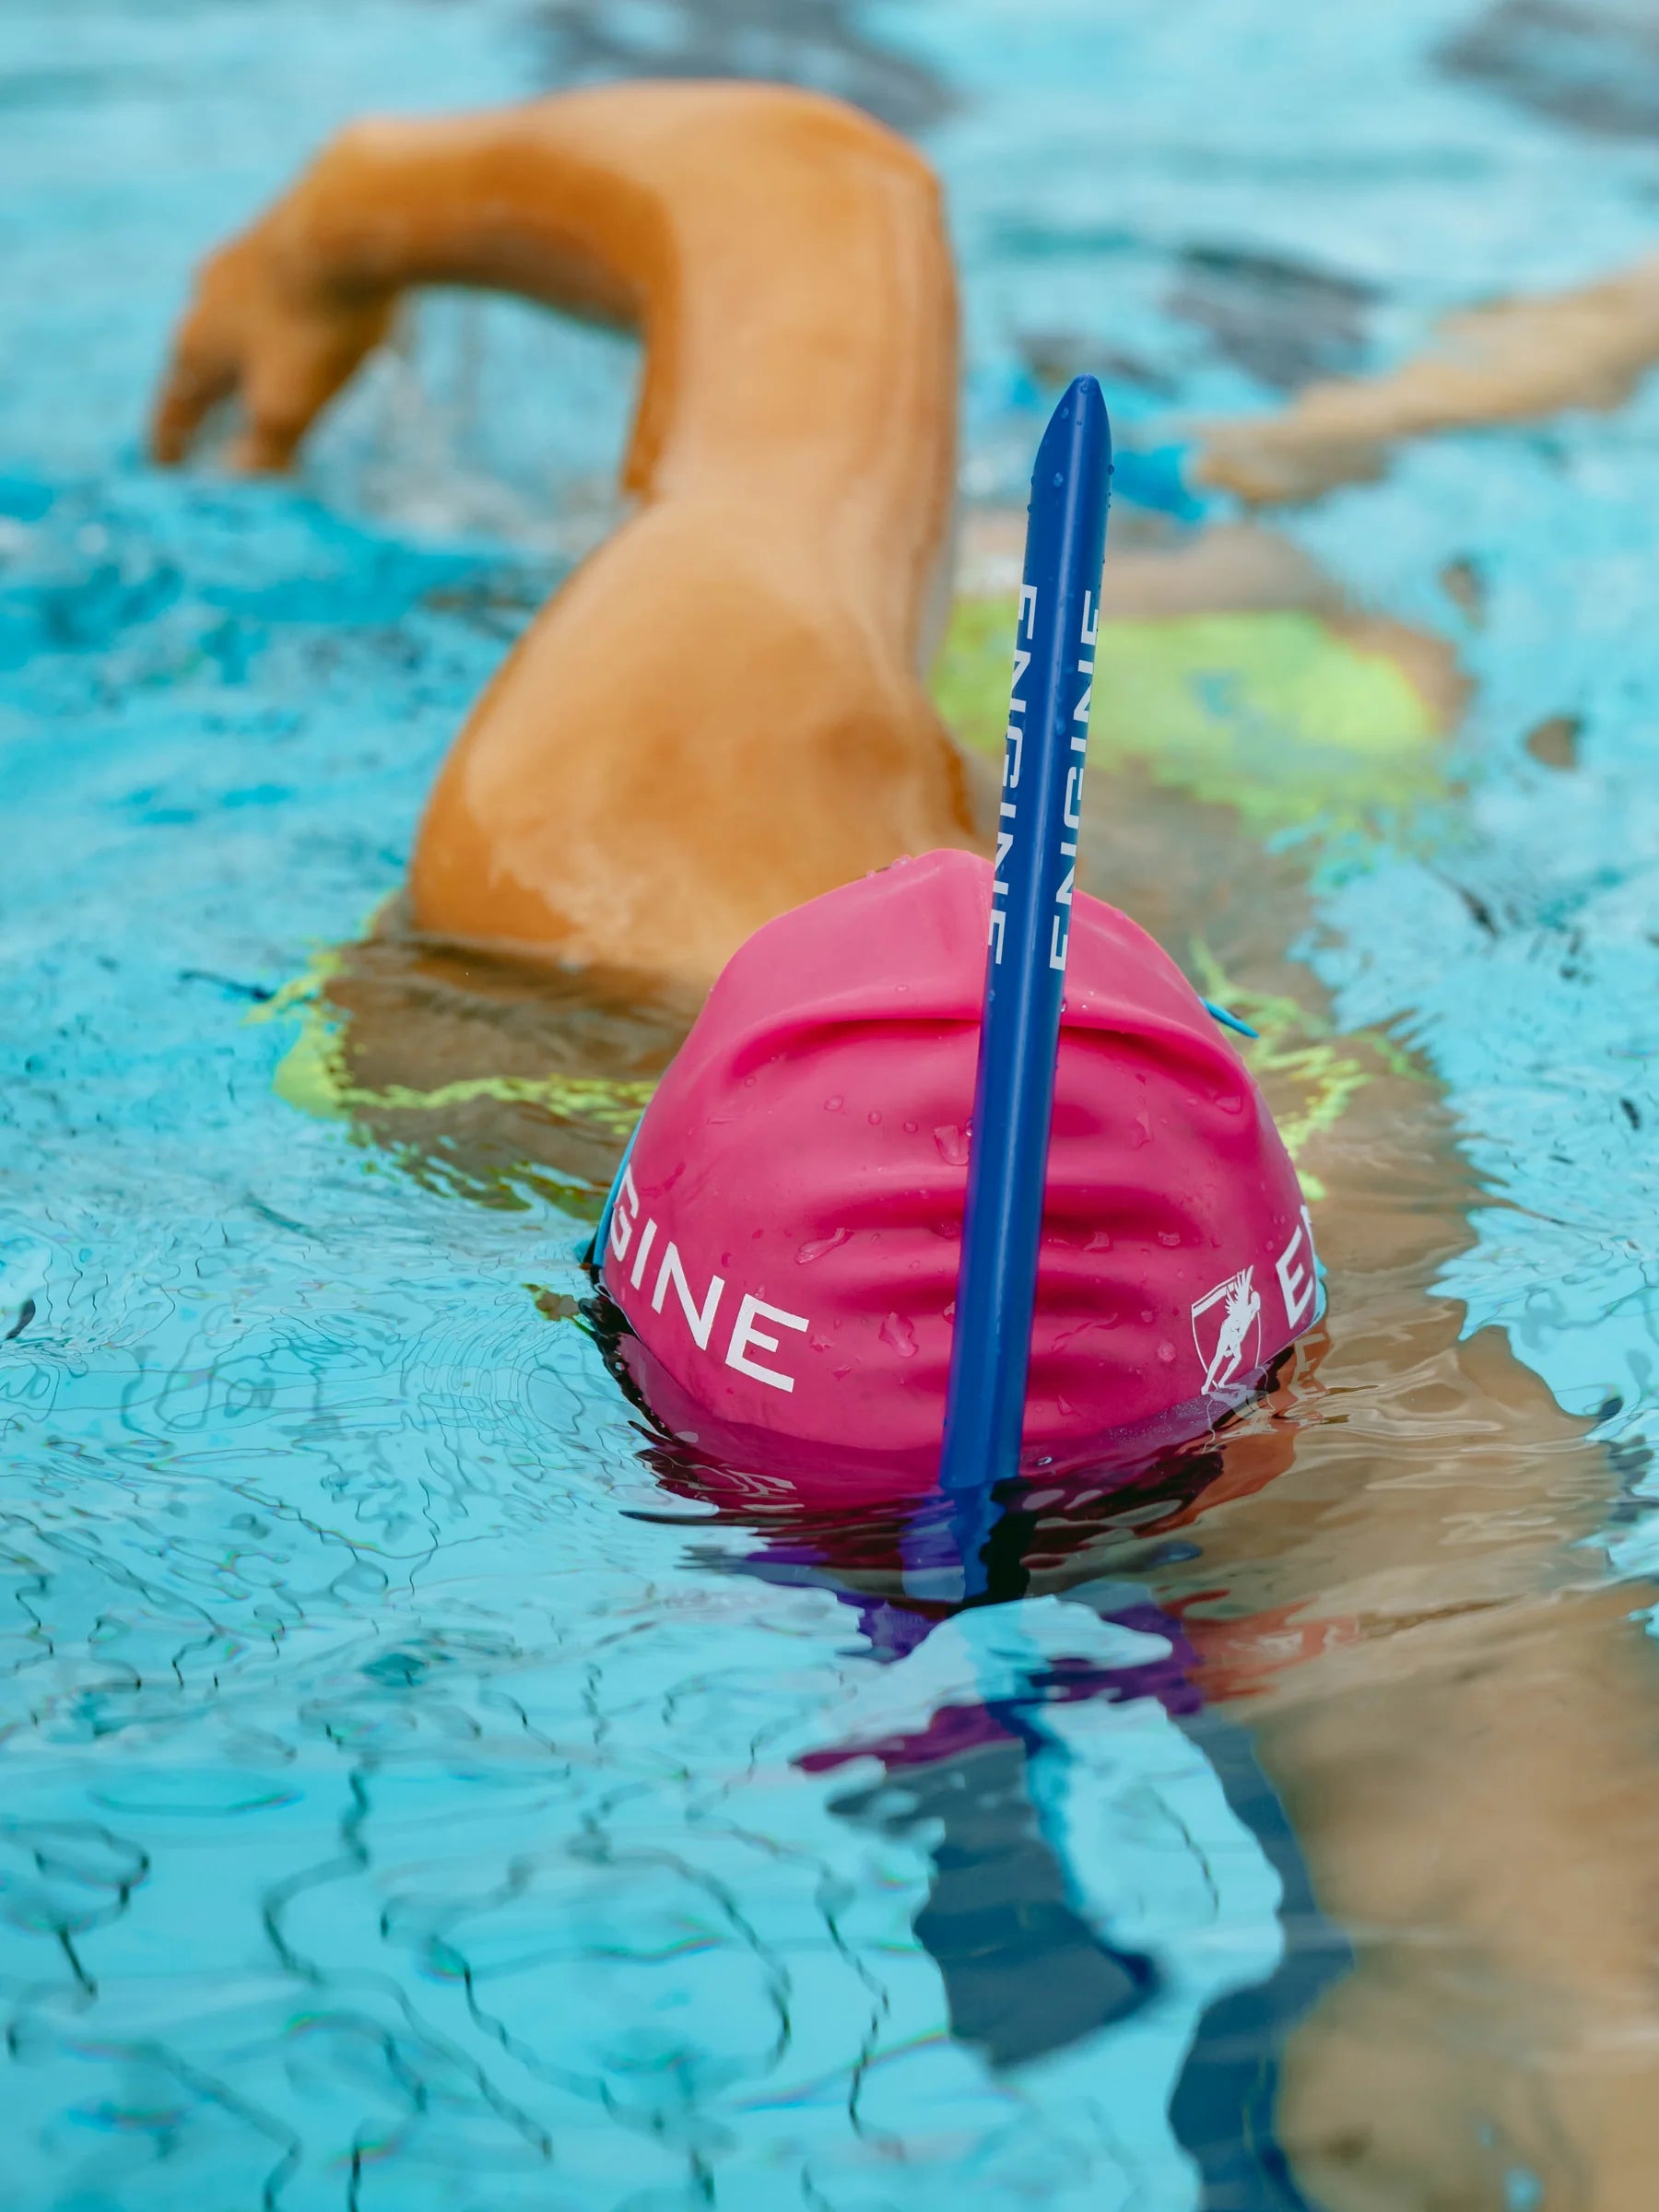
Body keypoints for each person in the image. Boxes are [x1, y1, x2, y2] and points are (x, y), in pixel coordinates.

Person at [154, 80, 1659, 2207]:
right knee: (1272, 511)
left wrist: (350, 217)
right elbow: (1580, 1992)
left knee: (1237, 522)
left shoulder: (601, 843)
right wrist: (349, 217)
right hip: (1273, 689)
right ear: (1275, 1396)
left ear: (619, 1338)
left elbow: (819, 185)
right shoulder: (1379, 1332)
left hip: (1234, 662)